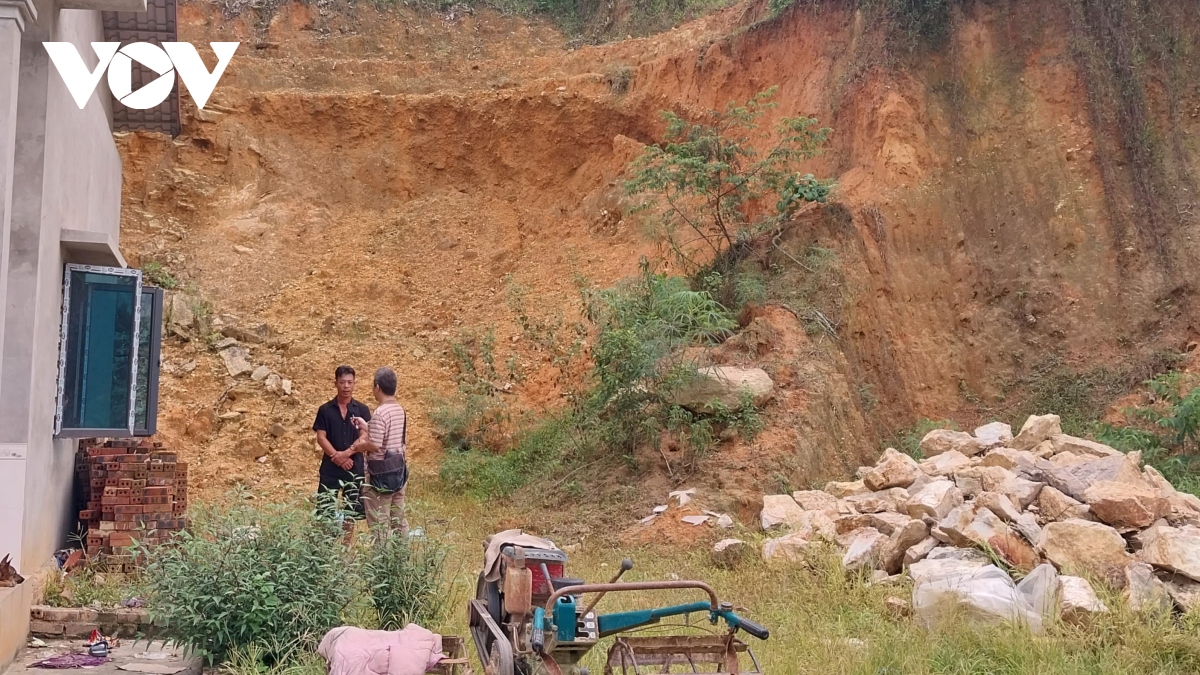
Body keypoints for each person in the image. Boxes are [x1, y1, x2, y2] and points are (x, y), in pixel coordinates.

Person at [313, 365, 371, 538]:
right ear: (335, 383)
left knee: (351, 509)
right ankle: (324, 545)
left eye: (350, 382)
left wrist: (346, 453)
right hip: (330, 468)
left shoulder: (362, 410)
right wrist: (336, 456)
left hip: (354, 467)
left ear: (354, 384)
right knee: (325, 507)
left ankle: (345, 547)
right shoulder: (325, 410)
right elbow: (321, 437)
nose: (346, 386)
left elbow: (365, 435)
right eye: (342, 382)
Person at [351, 367, 409, 536]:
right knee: (398, 518)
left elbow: (374, 444)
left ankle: (383, 560)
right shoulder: (399, 410)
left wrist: (358, 447)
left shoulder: (379, 412)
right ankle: (402, 557)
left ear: (377, 387)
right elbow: (388, 435)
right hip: (398, 471)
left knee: (379, 522)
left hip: (380, 477)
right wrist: (367, 425)